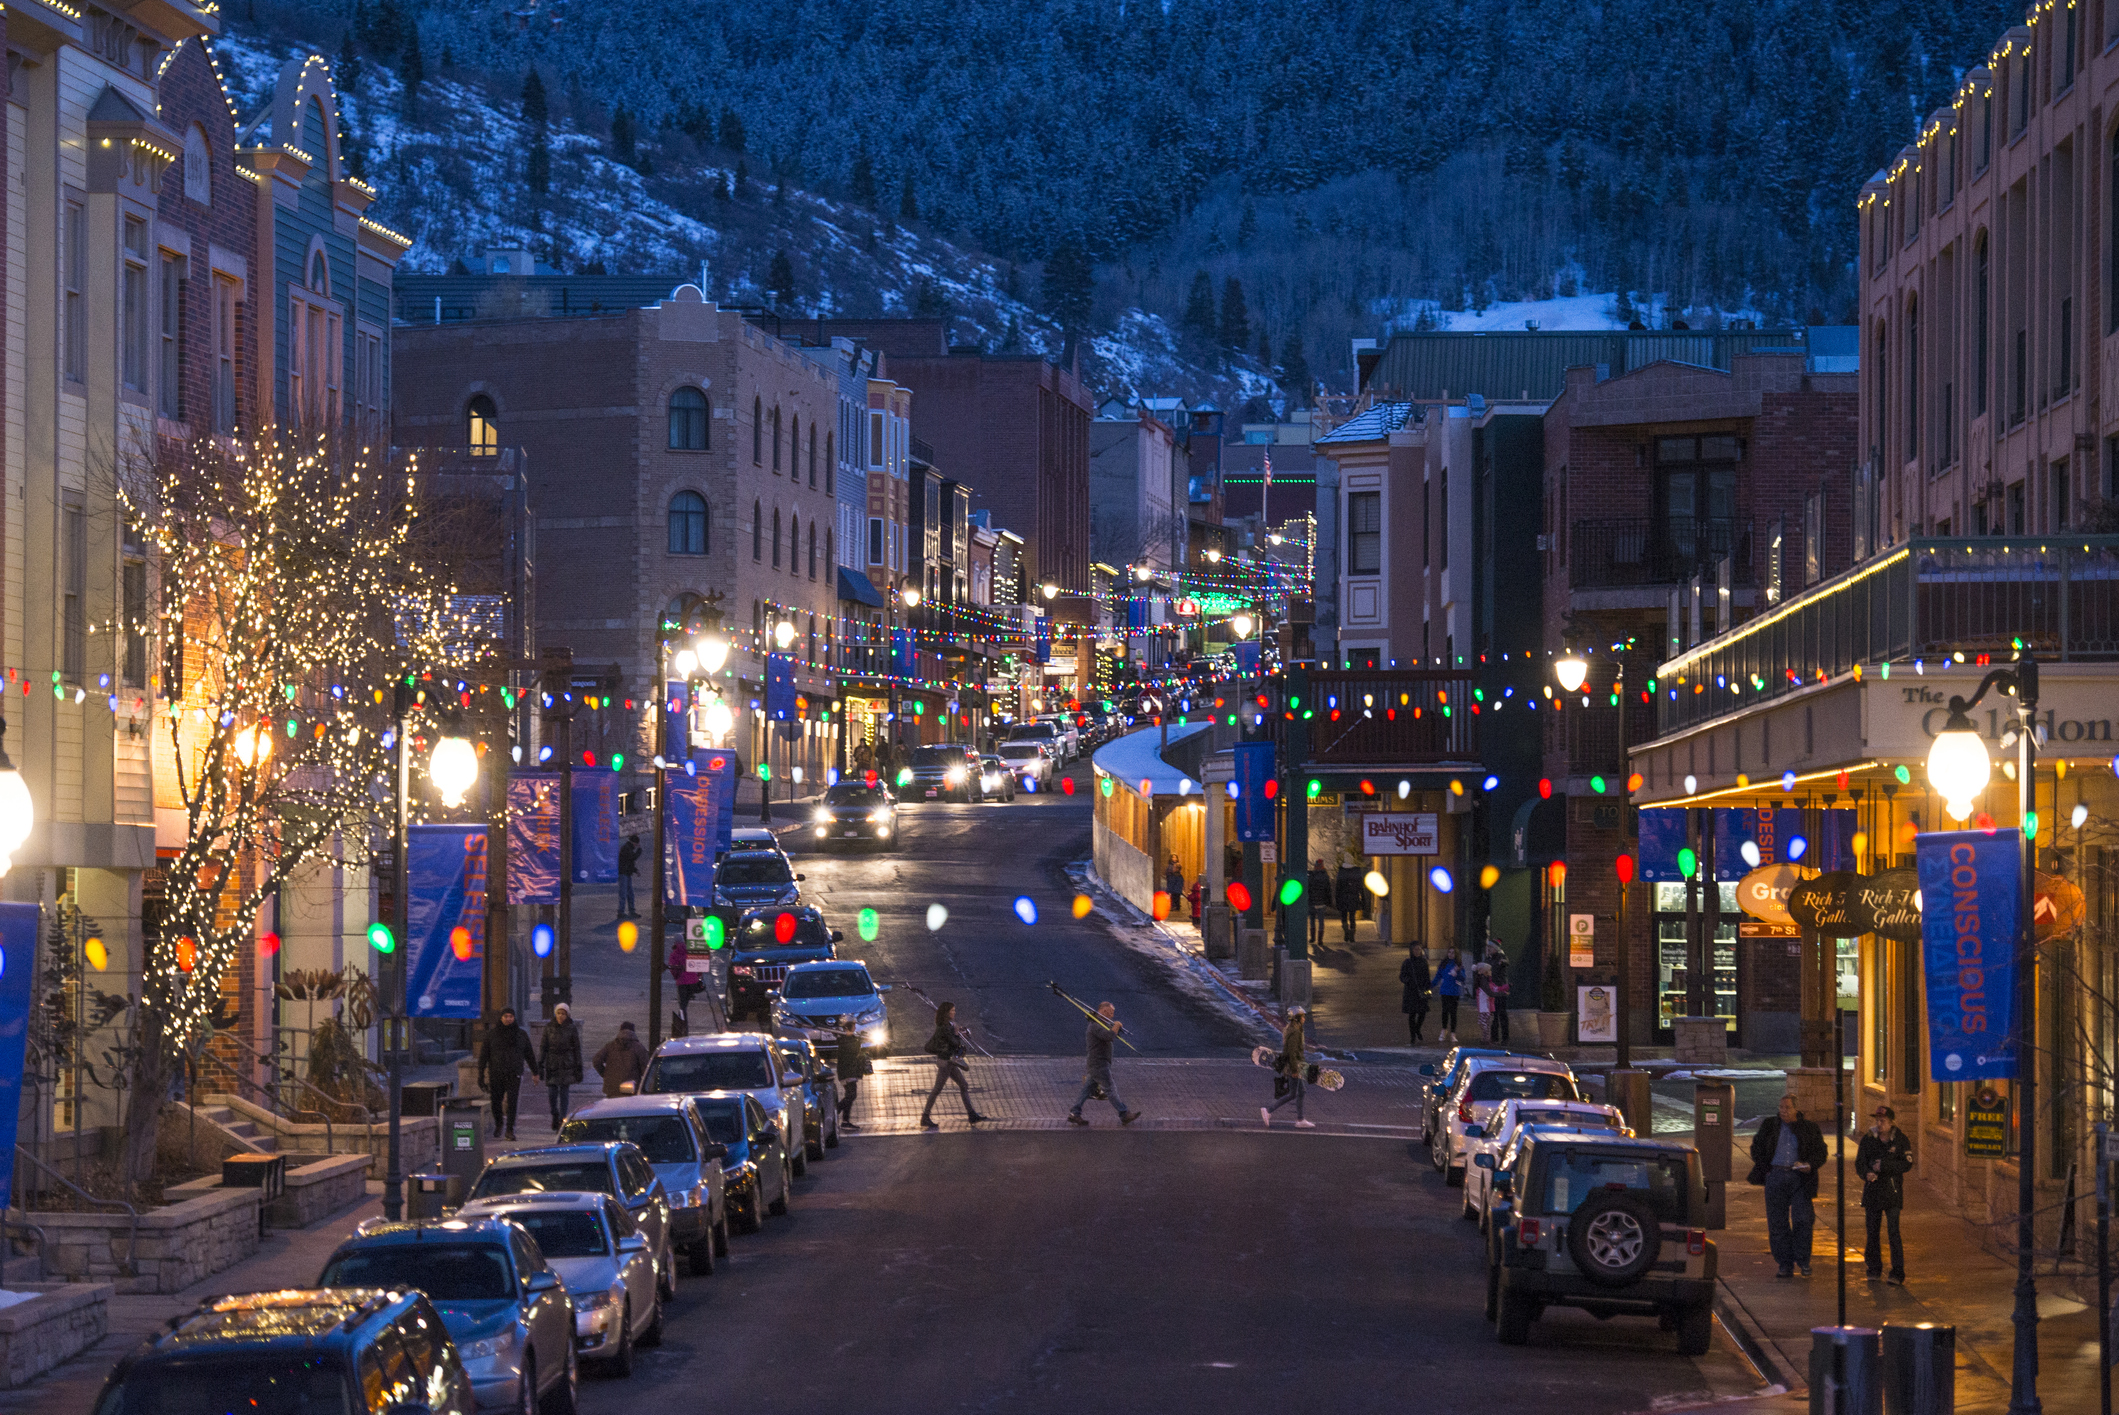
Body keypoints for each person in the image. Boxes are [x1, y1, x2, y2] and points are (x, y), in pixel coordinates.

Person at [1749, 1093, 1828, 1278]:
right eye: (1781, 1107)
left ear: (1796, 1109)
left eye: (1787, 1108)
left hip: (1799, 1178)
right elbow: (1757, 1147)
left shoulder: (1809, 1128)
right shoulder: (1771, 1125)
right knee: (1777, 1223)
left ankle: (1803, 1259)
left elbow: (1820, 1152)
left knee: (1803, 1219)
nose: (1783, 1111)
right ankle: (1785, 1263)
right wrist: (1765, 1168)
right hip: (1776, 1175)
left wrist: (1809, 1165)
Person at [1857, 1104, 1913, 1284]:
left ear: (1891, 1122)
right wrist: (1867, 1173)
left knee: (1893, 1232)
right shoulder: (1868, 1139)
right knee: (1872, 1232)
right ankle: (1873, 1268)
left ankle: (1897, 1272)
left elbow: (1907, 1164)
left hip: (1892, 1192)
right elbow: (1860, 1162)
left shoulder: (1900, 1140)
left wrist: (1885, 1167)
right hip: (1873, 1192)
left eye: (1883, 1121)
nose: (1879, 1124)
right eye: (1877, 1120)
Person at [1067, 1002, 1140, 1126]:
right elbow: (1109, 1036)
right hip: (1099, 1064)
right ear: (1103, 1011)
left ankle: (1075, 1113)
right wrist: (1116, 1026)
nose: (1111, 1015)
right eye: (1110, 1013)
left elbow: (1111, 1034)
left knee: (1087, 1089)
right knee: (1110, 1089)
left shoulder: (1101, 1024)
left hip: (1096, 1063)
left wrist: (1116, 1028)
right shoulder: (1095, 1025)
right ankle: (1124, 1114)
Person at [919, 1000, 986, 1128]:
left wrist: (959, 1032)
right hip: (945, 1062)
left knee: (963, 1085)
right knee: (937, 1089)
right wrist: (956, 1033)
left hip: (949, 1061)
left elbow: (954, 1039)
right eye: (952, 1011)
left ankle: (971, 1114)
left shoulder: (947, 1025)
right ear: (947, 1013)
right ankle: (925, 1117)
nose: (954, 1012)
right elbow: (954, 1043)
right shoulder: (944, 1027)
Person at [478, 1007, 538, 1140]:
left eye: (511, 1016)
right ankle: (499, 1123)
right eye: (506, 1016)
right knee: (496, 1101)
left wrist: (535, 1072)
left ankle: (510, 1129)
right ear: (501, 1018)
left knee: (512, 1102)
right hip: (496, 1072)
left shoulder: (521, 1034)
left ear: (514, 1018)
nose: (508, 1019)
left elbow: (529, 1054)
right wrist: (481, 1074)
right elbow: (484, 1056)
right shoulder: (492, 1034)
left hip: (514, 1072)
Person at [1261, 1006, 1316, 1128]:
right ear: (1297, 1018)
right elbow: (1292, 1052)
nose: (1304, 1018)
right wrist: (1295, 1070)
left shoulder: (1294, 1029)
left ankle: (1300, 1119)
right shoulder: (1295, 1032)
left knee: (1300, 1091)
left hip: (1297, 1065)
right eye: (1302, 1016)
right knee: (1294, 1093)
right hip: (1294, 1066)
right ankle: (1269, 1111)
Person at [539, 1003, 583, 1128]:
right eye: (559, 1013)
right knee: (552, 1092)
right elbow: (543, 1046)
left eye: (563, 1014)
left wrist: (578, 1067)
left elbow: (577, 1049)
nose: (560, 1016)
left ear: (567, 1015)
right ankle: (555, 1113)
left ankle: (562, 1118)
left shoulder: (571, 1028)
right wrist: (540, 1064)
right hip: (552, 1063)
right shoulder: (549, 1027)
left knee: (564, 1092)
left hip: (566, 1063)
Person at [834, 1015, 873, 1131]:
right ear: (849, 1026)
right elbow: (852, 1051)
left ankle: (845, 1121)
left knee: (849, 1096)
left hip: (849, 1070)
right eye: (854, 1025)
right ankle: (835, 1111)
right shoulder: (844, 1039)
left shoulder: (850, 1039)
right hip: (847, 1071)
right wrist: (858, 1041)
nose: (855, 1027)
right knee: (851, 1095)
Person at [593, 1020, 651, 1098]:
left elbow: (596, 1060)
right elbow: (646, 1068)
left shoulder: (610, 1046)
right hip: (631, 1087)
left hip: (612, 1086)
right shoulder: (639, 1047)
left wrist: (605, 1074)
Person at [1399, 944, 1432, 1046]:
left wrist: (1428, 990)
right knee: (1412, 1014)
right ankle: (1413, 1036)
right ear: (1411, 950)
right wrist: (1408, 981)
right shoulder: (1407, 962)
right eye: (1415, 949)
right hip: (1411, 991)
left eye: (1419, 949)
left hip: (1422, 990)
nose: (1417, 951)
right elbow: (1402, 976)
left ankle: (1417, 1029)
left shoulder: (1423, 962)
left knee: (1422, 1012)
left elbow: (1427, 976)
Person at [1484, 942, 1512, 1043]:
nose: (1488, 949)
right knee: (1493, 1014)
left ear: (1495, 948)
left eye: (1490, 947)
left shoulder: (1500, 957)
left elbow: (1505, 962)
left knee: (1502, 1013)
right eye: (1488, 947)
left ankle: (1505, 1038)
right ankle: (1494, 1037)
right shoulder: (1489, 959)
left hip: (1500, 989)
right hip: (1492, 990)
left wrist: (1502, 962)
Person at [1433, 953, 1464, 1043]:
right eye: (1449, 952)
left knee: (1453, 1013)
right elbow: (1438, 975)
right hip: (1445, 991)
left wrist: (1457, 972)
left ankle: (1453, 1033)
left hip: (1454, 992)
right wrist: (1431, 984)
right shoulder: (1444, 964)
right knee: (1445, 1011)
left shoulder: (1459, 965)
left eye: (1453, 952)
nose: (1451, 954)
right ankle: (1444, 1030)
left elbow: (1463, 978)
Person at [1333, 860, 1364, 943]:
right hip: (1353, 897)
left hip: (1343, 897)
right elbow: (1360, 887)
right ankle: (1352, 935)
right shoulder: (1356, 871)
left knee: (1343, 916)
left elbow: (1338, 887)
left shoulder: (1341, 871)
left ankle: (1346, 931)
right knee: (1352, 917)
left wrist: (1337, 899)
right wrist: (1363, 900)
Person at [1305, 859, 1332, 946]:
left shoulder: (1311, 876)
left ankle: (1312, 938)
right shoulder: (1325, 876)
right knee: (1321, 921)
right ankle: (1320, 940)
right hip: (1322, 902)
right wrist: (1329, 901)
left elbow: (1308, 889)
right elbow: (1328, 890)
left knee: (1312, 920)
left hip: (1312, 901)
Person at [616, 834, 642, 920]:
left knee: (629, 893)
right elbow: (632, 858)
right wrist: (639, 851)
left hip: (627, 873)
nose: (636, 846)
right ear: (634, 843)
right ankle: (621, 912)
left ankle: (630, 911)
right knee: (624, 893)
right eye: (636, 844)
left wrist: (635, 870)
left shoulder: (628, 847)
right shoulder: (626, 848)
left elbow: (629, 862)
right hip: (624, 873)